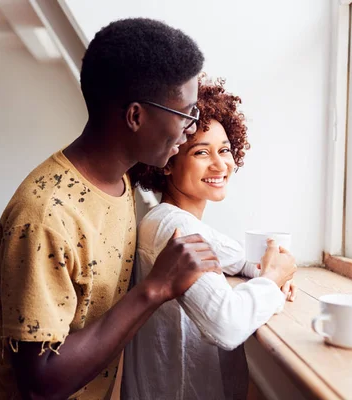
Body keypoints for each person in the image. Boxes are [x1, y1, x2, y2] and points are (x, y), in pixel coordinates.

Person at [0, 17, 222, 400]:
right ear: (136, 116)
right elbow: (39, 384)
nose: (191, 129)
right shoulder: (44, 214)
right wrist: (155, 288)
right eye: (185, 114)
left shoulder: (120, 180)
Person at [122, 76, 297, 400]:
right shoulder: (173, 227)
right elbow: (227, 325)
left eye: (225, 149)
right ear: (168, 162)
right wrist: (272, 278)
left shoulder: (171, 219)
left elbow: (235, 258)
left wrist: (268, 272)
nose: (221, 164)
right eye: (202, 152)